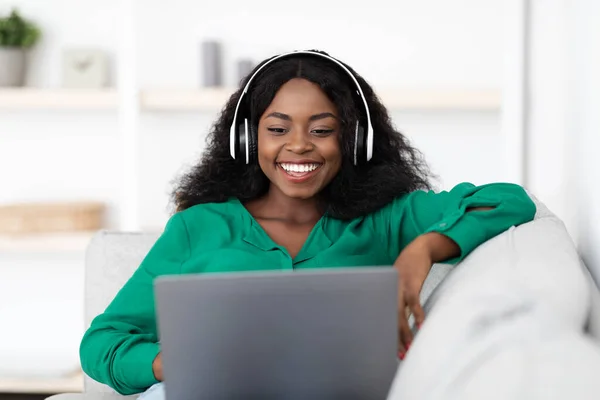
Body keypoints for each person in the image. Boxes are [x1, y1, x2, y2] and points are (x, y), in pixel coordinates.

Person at [79, 49, 536, 396]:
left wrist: (424, 249)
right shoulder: (196, 228)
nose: (299, 146)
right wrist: (171, 361)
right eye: (277, 129)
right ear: (247, 139)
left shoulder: (387, 218)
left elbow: (508, 201)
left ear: (353, 140)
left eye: (321, 130)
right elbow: (103, 342)